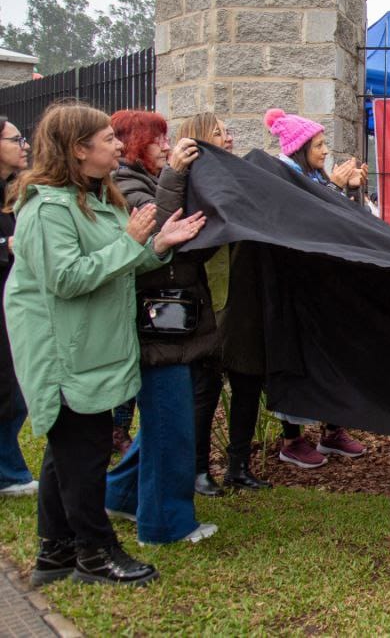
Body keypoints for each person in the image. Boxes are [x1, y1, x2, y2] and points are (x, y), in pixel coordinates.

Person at [6, 102, 205, 586]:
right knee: (84, 456)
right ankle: (96, 554)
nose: (118, 145)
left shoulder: (95, 199)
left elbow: (119, 267)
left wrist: (155, 245)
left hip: (93, 351)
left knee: (67, 455)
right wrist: (131, 239)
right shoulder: (48, 208)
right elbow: (68, 278)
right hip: (66, 355)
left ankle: (54, 555)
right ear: (78, 150)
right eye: (107, 139)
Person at [103, 110, 219, 545]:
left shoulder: (143, 178)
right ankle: (165, 524)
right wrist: (174, 175)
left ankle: (119, 494)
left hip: (168, 320)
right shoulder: (128, 185)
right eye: (158, 140)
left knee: (163, 422)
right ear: (134, 144)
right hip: (157, 324)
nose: (168, 147)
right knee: (171, 424)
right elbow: (163, 232)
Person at [262, 108, 368, 467]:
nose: (325, 151)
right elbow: (304, 221)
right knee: (300, 362)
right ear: (299, 148)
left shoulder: (312, 177)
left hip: (324, 290)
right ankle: (291, 440)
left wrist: (351, 191)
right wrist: (336, 188)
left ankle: (332, 431)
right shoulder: (282, 178)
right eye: (319, 145)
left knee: (330, 360)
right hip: (297, 292)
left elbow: (343, 226)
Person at [176, 112, 271, 492]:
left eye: (228, 131)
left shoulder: (236, 176)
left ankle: (238, 465)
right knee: (207, 387)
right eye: (219, 132)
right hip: (213, 298)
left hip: (243, 299)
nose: (228, 138)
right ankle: (199, 469)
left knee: (247, 379)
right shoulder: (192, 182)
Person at [0, 117, 37, 497]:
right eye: (15, 139)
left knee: (13, 385)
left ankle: (8, 468)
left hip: (15, 300)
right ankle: (8, 473)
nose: (24, 146)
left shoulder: (14, 189)